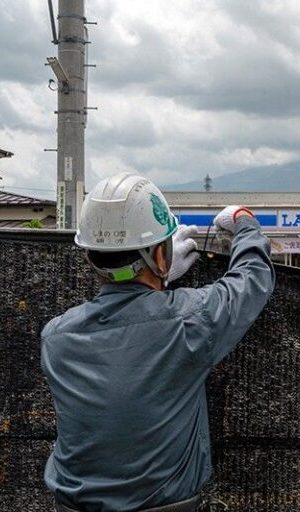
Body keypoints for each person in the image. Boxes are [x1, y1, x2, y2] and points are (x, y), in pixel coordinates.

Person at [40, 173, 276, 512]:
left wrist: (156, 280)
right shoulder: (191, 321)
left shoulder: (56, 338)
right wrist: (243, 221)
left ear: (91, 256)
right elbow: (252, 278)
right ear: (160, 255)